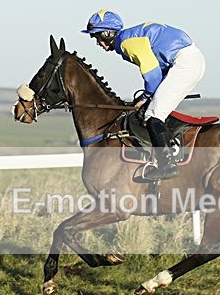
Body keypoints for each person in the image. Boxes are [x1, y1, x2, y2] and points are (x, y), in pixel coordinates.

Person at [82, 9, 205, 179]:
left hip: (184, 63)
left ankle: (167, 165)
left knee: (153, 114)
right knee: (154, 108)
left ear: (107, 33)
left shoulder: (127, 43)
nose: (97, 42)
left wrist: (146, 97)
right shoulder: (129, 38)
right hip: (185, 60)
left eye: (97, 37)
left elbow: (153, 74)